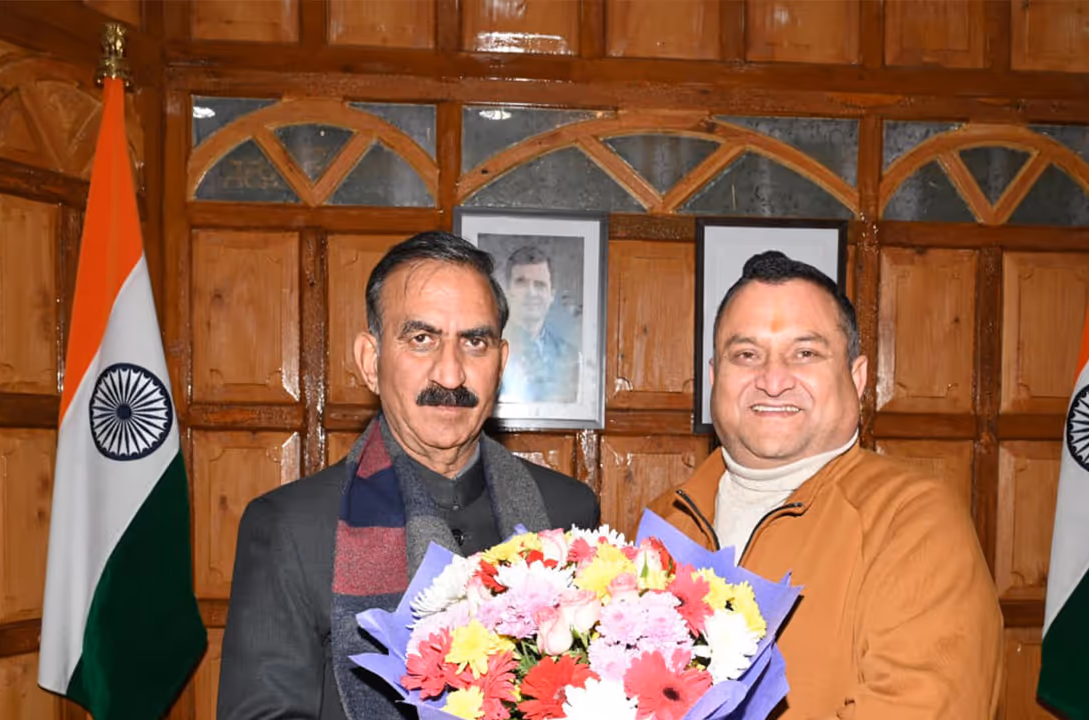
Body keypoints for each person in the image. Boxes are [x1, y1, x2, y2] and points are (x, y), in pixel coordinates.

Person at [217, 231, 600, 720]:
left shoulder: (566, 511)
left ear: (501, 362)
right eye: (421, 339)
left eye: (474, 342)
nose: (451, 375)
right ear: (369, 362)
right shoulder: (290, 528)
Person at [646, 251, 1003, 719]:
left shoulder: (912, 520)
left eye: (805, 353)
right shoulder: (667, 520)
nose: (773, 381)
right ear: (715, 377)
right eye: (747, 354)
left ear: (856, 378)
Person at [498, 245, 581, 404]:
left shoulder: (570, 356)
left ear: (552, 295)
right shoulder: (490, 349)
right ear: (507, 291)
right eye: (522, 283)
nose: (531, 293)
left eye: (540, 284)